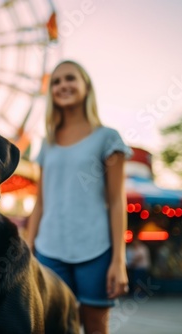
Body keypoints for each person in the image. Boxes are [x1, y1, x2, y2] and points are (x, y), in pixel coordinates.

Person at [25, 60, 132, 334]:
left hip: (95, 250)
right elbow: (40, 202)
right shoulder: (47, 143)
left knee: (96, 326)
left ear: (86, 86)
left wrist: (118, 261)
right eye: (57, 82)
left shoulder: (108, 138)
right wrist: (27, 247)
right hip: (49, 250)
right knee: (50, 326)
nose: (63, 86)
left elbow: (118, 202)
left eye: (70, 78)